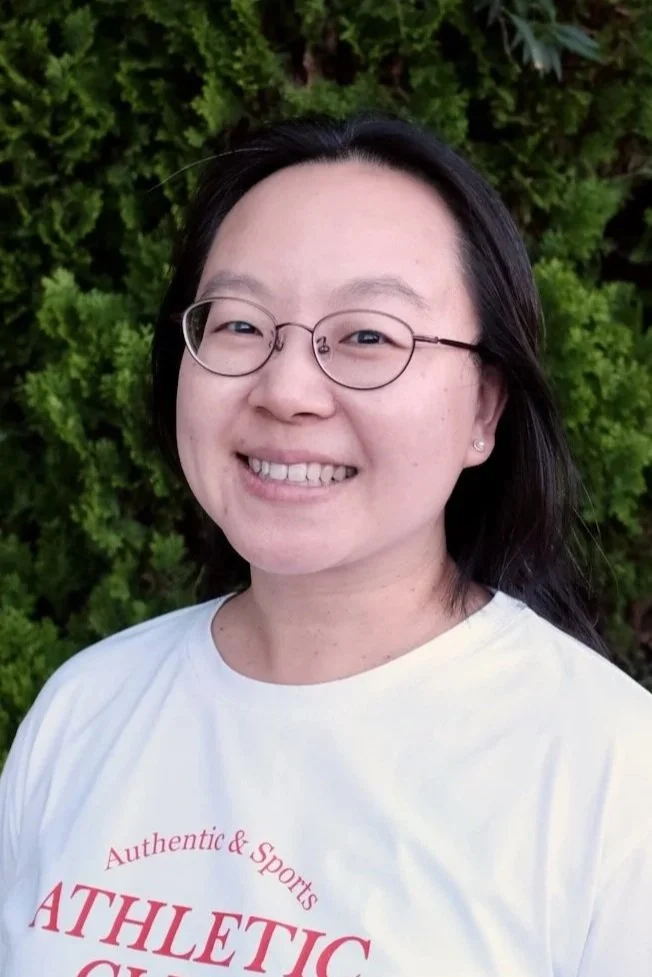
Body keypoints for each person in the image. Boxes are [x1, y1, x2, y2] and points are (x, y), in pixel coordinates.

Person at [1, 113, 651, 977]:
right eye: (239, 324)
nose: (287, 389)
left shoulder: (610, 775)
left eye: (368, 335)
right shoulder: (86, 709)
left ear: (484, 409)